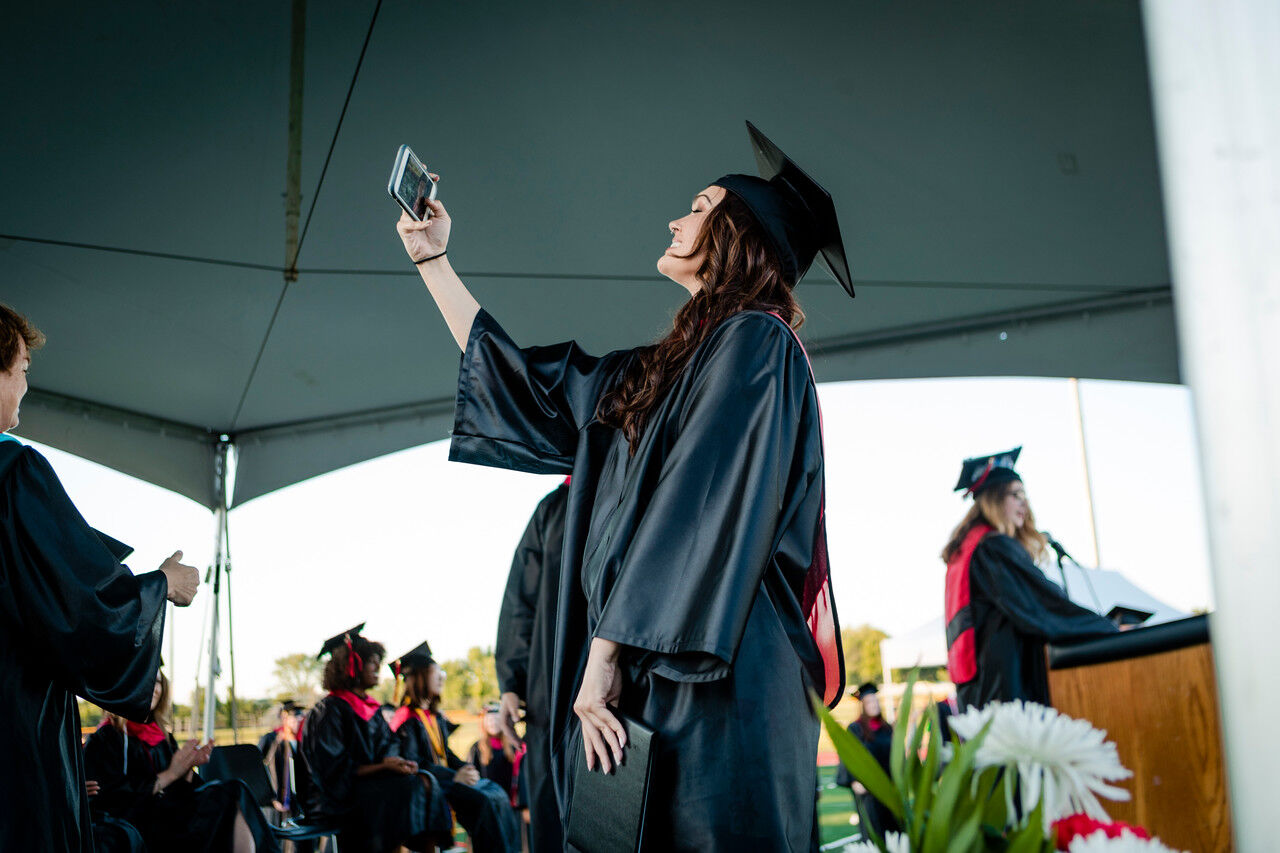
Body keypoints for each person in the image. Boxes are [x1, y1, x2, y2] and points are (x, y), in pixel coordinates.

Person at [395, 121, 848, 850]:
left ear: (742, 233)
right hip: (647, 667)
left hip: (721, 673)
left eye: (699, 205)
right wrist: (435, 263)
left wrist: (601, 657)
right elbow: (533, 388)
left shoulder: (759, 342)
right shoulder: (659, 368)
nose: (676, 217)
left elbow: (699, 505)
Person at [0, 302, 201, 852]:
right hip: (12, 728)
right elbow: (79, 609)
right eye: (21, 369)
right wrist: (161, 585)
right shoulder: (13, 471)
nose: (25, 384)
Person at [943, 448, 1118, 709]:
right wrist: (1107, 629)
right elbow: (1040, 608)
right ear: (994, 499)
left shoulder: (969, 548)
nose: (1024, 503)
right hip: (1005, 686)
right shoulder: (993, 548)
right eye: (1015, 495)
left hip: (980, 689)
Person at [83, 667, 279, 852]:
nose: (154, 687)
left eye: (158, 682)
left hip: (172, 815)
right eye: (147, 680)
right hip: (140, 824)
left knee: (233, 792)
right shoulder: (105, 738)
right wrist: (170, 774)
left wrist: (187, 769)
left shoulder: (163, 737)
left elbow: (183, 790)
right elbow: (109, 797)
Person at [299, 625, 449, 853]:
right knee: (408, 789)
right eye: (371, 661)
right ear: (350, 664)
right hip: (333, 797)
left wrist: (396, 762)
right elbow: (333, 770)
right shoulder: (329, 710)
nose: (378, 666)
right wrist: (382, 766)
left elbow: (389, 745)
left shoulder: (371, 709)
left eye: (378, 660)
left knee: (425, 780)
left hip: (367, 788)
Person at [390, 643, 521, 853]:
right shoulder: (406, 719)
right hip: (427, 785)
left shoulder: (433, 717)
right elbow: (415, 762)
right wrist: (454, 776)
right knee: (483, 802)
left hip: (445, 779)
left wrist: (466, 768)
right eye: (436, 674)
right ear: (421, 677)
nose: (442, 677)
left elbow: (446, 753)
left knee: (497, 793)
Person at [495, 479, 568, 852]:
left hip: (632, 689)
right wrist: (511, 683)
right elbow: (520, 603)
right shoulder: (554, 508)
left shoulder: (641, 478)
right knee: (553, 808)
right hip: (552, 687)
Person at [834, 683, 896, 840]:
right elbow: (848, 756)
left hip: (889, 787)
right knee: (873, 833)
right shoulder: (855, 729)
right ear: (862, 706)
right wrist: (854, 781)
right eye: (869, 702)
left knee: (893, 829)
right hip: (868, 790)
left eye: (876, 702)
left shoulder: (887, 728)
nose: (874, 705)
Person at [258, 699, 305, 820]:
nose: (298, 720)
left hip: (297, 802)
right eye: (295, 716)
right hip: (276, 802)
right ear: (284, 718)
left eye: (301, 716)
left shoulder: (302, 743)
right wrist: (271, 797)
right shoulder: (271, 739)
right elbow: (260, 768)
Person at [468, 701, 520, 803]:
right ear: (484, 723)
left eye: (497, 719)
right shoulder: (477, 748)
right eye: (490, 720)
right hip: (487, 800)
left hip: (510, 800)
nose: (493, 723)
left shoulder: (513, 745)